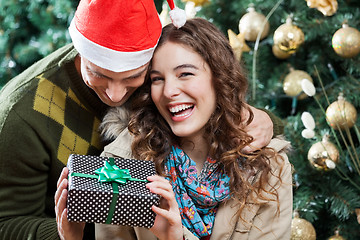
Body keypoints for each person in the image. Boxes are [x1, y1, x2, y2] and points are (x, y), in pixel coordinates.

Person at [0, 1, 280, 240]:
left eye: (133, 77)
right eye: (99, 73)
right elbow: (5, 224)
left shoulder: (159, 83)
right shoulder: (22, 114)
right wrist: (88, 229)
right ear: (80, 51)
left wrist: (264, 120)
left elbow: (210, 98)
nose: (115, 94)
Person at [94, 18, 293, 240]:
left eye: (185, 74)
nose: (169, 91)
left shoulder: (270, 167)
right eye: (157, 79)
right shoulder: (120, 166)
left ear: (219, 79)